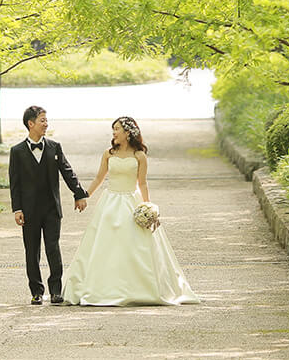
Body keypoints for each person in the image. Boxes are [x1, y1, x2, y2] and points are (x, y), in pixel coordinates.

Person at [61, 116, 198, 306]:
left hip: (131, 202)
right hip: (110, 203)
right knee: (105, 245)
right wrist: (84, 196)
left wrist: (148, 207)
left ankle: (138, 288)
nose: (114, 133)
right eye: (113, 130)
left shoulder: (139, 156)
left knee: (136, 245)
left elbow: (142, 183)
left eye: (117, 129)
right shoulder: (108, 154)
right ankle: (102, 287)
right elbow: (99, 178)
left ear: (127, 133)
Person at [10, 105, 88, 305]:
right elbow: (15, 183)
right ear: (31, 123)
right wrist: (17, 209)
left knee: (53, 248)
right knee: (32, 250)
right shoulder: (17, 151)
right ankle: (36, 291)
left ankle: (55, 290)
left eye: (46, 120)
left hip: (52, 209)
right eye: (42, 120)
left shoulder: (54, 147)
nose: (46, 124)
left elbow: (67, 171)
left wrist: (79, 194)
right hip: (28, 211)